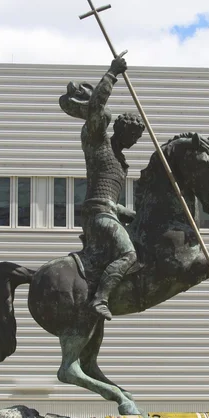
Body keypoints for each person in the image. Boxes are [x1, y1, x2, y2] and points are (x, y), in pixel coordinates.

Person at [59, 56, 145, 320]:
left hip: (108, 212)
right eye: (131, 136)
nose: (132, 142)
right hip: (97, 215)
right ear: (120, 130)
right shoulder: (98, 141)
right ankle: (101, 298)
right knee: (129, 253)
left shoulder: (121, 162)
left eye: (137, 139)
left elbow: (111, 197)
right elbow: (97, 107)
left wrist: (132, 214)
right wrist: (112, 73)